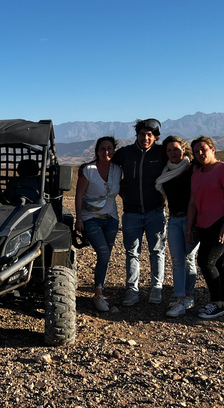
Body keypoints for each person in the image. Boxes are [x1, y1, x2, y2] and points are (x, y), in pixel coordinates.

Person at [112, 118, 168, 306]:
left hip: (155, 210)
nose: (145, 138)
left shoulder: (162, 153)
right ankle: (132, 291)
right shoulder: (126, 153)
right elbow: (107, 164)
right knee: (131, 253)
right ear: (137, 135)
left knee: (157, 251)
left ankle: (156, 289)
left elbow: (180, 162)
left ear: (156, 137)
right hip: (131, 212)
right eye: (142, 134)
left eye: (149, 135)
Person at [186, 135, 224, 319]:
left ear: (212, 149)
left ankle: (217, 303)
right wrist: (189, 227)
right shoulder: (197, 175)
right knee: (217, 262)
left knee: (206, 261)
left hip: (222, 222)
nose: (200, 153)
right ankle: (221, 302)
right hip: (204, 223)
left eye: (203, 149)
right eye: (196, 151)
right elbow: (193, 202)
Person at [75, 136, 121, 312]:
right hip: (90, 218)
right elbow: (79, 195)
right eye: (103, 149)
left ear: (114, 150)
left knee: (107, 255)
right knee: (102, 253)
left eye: (109, 148)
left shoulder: (117, 170)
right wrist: (79, 219)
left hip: (112, 218)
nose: (106, 152)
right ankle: (98, 294)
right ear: (97, 151)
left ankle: (98, 291)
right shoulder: (89, 170)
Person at [155, 135, 198, 317]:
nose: (173, 153)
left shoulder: (193, 168)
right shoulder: (165, 172)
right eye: (169, 150)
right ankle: (180, 298)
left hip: (192, 219)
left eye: (176, 149)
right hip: (173, 219)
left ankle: (189, 295)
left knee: (189, 257)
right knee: (177, 260)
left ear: (183, 149)